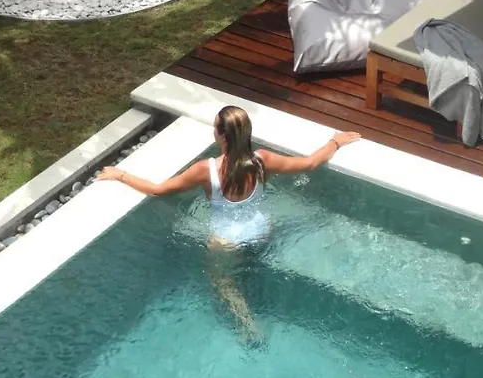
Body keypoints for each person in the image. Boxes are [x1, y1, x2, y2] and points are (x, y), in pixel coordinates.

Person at [97, 105, 360, 342]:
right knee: (249, 267)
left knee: (221, 281)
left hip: (227, 240)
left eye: (215, 127)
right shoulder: (262, 160)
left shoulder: (207, 170)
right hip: (260, 230)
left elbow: (158, 191)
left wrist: (120, 175)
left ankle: (248, 325)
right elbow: (311, 163)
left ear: (222, 136)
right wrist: (335, 142)